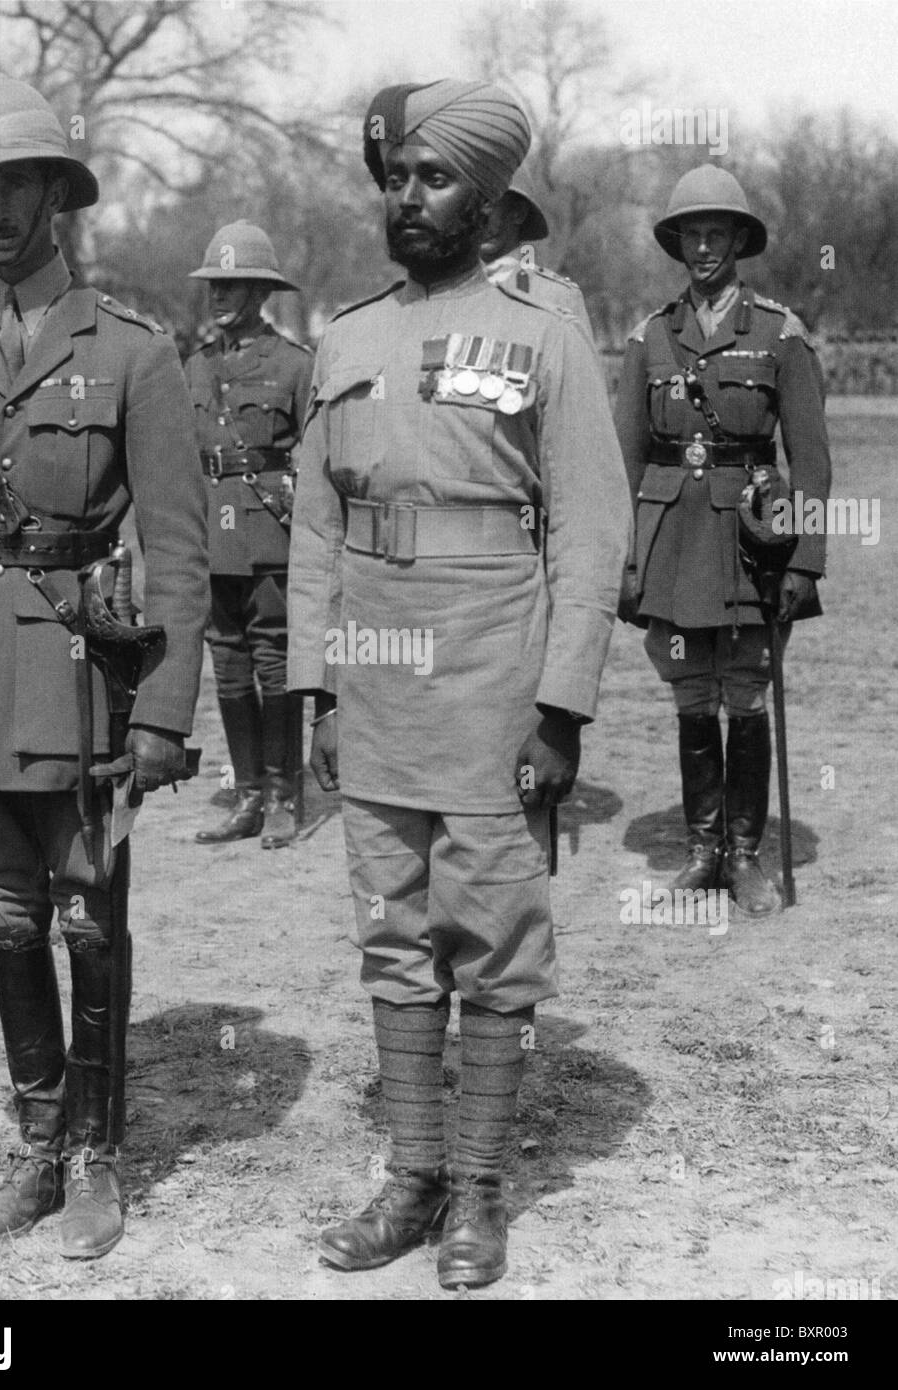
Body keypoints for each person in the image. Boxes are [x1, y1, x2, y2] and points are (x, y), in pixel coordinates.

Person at [288, 79, 631, 1290]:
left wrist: (560, 707)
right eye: (397, 178)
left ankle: (481, 1191)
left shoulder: (544, 332)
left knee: (490, 938)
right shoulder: (345, 337)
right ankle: (413, 1176)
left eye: (434, 180)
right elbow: (316, 534)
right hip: (374, 681)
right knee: (392, 932)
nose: (409, 199)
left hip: (493, 670)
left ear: (487, 204)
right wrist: (314, 687)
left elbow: (591, 529)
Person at [0, 75, 209, 1257]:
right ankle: (35, 1148)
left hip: (83, 679)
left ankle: (98, 1162)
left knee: (88, 916)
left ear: (59, 198)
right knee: (11, 917)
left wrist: (165, 708)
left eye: (20, 182)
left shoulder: (133, 352)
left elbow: (176, 545)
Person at [614, 164, 831, 916]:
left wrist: (805, 558)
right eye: (690, 235)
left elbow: (812, 456)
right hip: (671, 541)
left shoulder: (779, 334)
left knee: (745, 691)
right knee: (690, 694)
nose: (703, 247)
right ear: (677, 244)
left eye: (717, 232)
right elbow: (624, 460)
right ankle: (702, 852)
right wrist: (625, 557)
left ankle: (744, 855)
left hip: (751, 543)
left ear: (740, 239)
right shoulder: (650, 337)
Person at [185, 222, 312, 849]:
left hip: (271, 537)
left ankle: (286, 794)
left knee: (275, 663)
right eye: (213, 284)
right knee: (228, 666)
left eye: (232, 284)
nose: (219, 295)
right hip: (214, 536)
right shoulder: (194, 368)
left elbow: (316, 462)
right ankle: (248, 795)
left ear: (261, 291)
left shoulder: (294, 366)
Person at [480, 157, 596, 346]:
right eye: (471, 205)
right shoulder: (444, 293)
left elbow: (578, 373)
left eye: (490, 203)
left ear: (518, 213)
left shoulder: (557, 298)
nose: (480, 216)